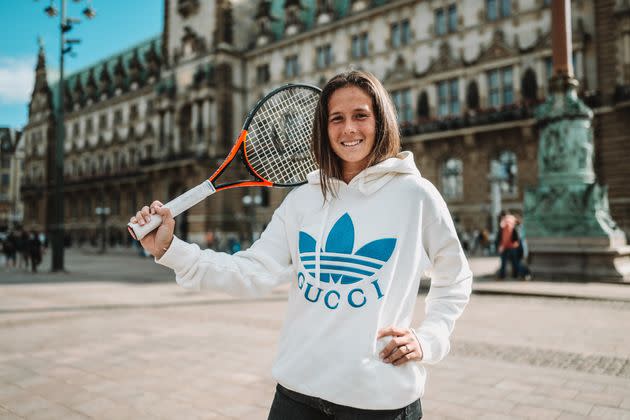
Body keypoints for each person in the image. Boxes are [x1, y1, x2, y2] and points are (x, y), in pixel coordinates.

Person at [131, 70, 472, 419]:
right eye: (335, 119)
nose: (348, 129)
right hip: (296, 396)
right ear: (323, 129)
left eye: (360, 116)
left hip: (378, 402)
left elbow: (455, 278)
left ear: (380, 121)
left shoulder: (415, 196)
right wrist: (169, 249)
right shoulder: (302, 200)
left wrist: (429, 339)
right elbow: (252, 271)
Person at [495, 211, 521, 279]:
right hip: (513, 245)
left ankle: (502, 276)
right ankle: (516, 275)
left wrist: (502, 246)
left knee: (505, 262)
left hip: (508, 246)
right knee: (514, 262)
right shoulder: (512, 219)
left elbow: (506, 235)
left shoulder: (506, 221)